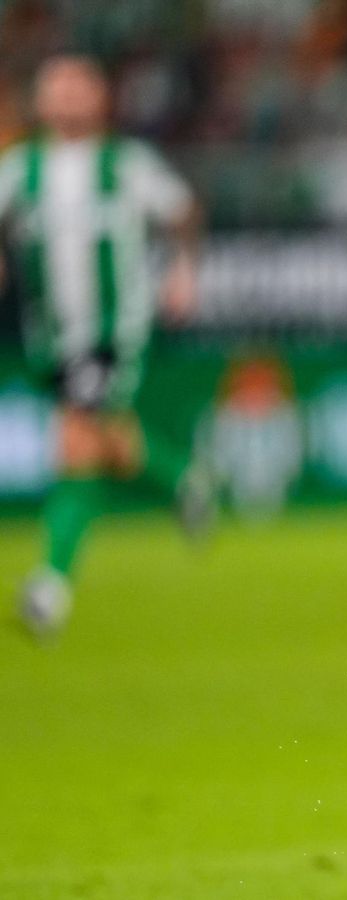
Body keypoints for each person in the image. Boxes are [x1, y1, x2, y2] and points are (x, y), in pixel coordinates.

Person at [0, 55, 208, 640]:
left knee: (76, 442)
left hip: (115, 331)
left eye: (78, 87)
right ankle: (182, 483)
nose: (66, 98)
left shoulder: (127, 163)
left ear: (100, 98)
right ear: (40, 101)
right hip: (50, 337)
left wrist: (183, 271)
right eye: (55, 88)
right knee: (111, 443)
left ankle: (50, 585)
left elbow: (183, 209)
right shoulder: (21, 169)